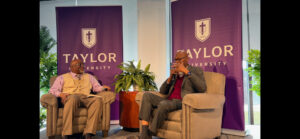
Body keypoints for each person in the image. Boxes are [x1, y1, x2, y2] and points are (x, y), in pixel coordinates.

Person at [139, 51, 207, 139]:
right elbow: (162, 91)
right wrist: (170, 76)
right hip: (169, 99)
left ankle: (150, 132)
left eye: (180, 59)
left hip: (182, 101)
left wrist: (186, 72)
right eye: (176, 60)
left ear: (187, 59)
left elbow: (202, 88)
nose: (177, 62)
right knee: (147, 95)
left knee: (163, 104)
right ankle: (144, 133)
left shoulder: (196, 70)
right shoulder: (175, 73)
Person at [49, 59, 111, 139]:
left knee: (97, 100)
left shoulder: (89, 76)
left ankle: (89, 132)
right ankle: (66, 133)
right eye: (79, 64)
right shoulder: (62, 78)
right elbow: (52, 90)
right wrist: (61, 94)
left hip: (86, 97)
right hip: (71, 97)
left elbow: (96, 87)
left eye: (82, 64)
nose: (82, 66)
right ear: (72, 67)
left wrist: (103, 88)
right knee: (73, 98)